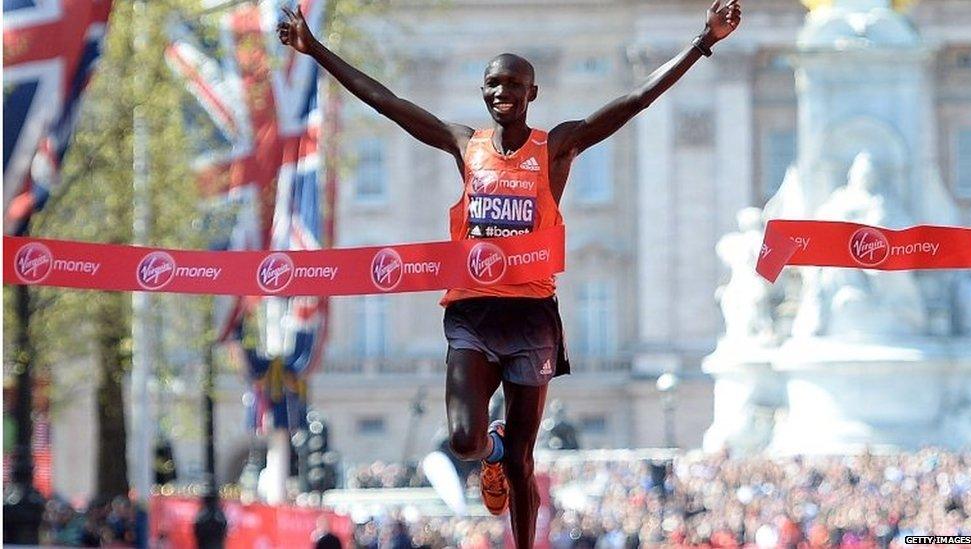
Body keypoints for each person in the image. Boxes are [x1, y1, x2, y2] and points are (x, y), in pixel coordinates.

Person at [277, 2, 742, 545]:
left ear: (532, 93)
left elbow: (637, 99)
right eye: (494, 84)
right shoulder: (464, 145)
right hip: (472, 312)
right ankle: (489, 450)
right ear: (483, 93)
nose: (503, 93)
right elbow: (388, 102)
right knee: (464, 440)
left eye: (514, 85)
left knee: (523, 462)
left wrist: (702, 40)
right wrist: (315, 50)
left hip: (531, 317)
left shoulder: (557, 147)